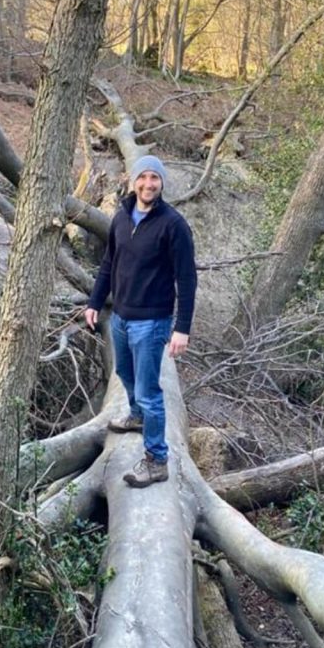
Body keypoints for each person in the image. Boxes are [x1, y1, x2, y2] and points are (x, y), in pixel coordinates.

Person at [84, 154, 197, 488]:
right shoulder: (121, 217)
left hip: (152, 322)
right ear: (133, 182)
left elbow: (187, 279)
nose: (149, 184)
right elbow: (108, 264)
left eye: (155, 178)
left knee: (150, 392)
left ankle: (157, 459)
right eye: (143, 177)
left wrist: (183, 328)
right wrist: (94, 302)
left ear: (162, 184)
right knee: (124, 374)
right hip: (121, 316)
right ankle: (135, 417)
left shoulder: (173, 225)